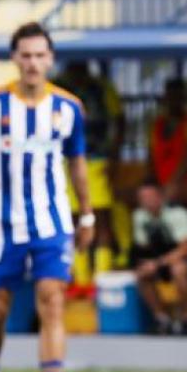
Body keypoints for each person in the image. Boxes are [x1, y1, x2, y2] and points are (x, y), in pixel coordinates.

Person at [0, 22, 93, 372]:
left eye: (40, 55)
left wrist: (86, 211)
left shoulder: (69, 107)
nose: (33, 63)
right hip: (3, 223)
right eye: (26, 55)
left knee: (52, 300)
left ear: (50, 59)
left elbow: (78, 162)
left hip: (52, 222)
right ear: (15, 58)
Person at [55, 60, 124, 287]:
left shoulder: (102, 87)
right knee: (73, 220)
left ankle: (101, 279)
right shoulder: (56, 88)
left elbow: (119, 120)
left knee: (100, 218)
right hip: (65, 162)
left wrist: (114, 155)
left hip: (97, 160)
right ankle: (81, 280)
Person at [131, 181, 187, 335]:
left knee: (179, 269)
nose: (147, 201)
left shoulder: (177, 213)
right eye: (143, 198)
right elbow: (143, 247)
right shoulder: (139, 216)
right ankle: (162, 318)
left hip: (186, 259)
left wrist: (158, 263)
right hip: (159, 260)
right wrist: (147, 265)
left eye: (150, 196)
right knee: (142, 274)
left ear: (160, 196)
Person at [147, 78, 187, 212]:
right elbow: (151, 158)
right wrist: (152, 183)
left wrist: (172, 183)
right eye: (171, 96)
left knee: (173, 194)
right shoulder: (157, 125)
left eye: (178, 97)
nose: (174, 101)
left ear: (184, 98)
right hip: (164, 183)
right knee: (145, 194)